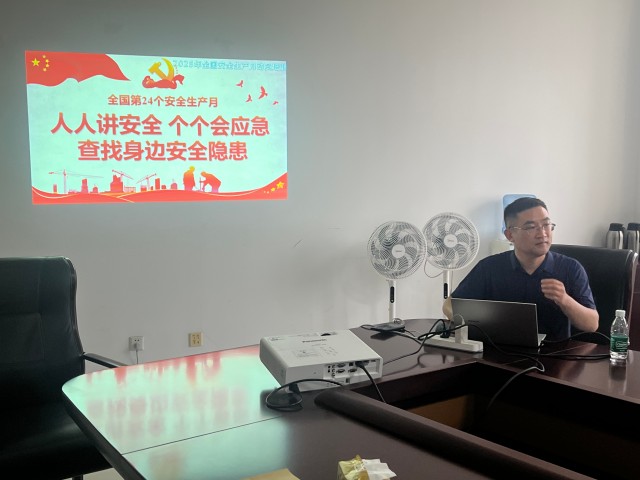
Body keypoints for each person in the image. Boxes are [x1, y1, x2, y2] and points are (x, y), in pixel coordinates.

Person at [443, 197, 598, 341]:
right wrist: (484, 322)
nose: (543, 233)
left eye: (546, 225)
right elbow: (449, 306)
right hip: (499, 352)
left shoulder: (571, 268)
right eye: (531, 227)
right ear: (510, 235)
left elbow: (592, 324)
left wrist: (565, 300)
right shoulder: (489, 268)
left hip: (554, 356)